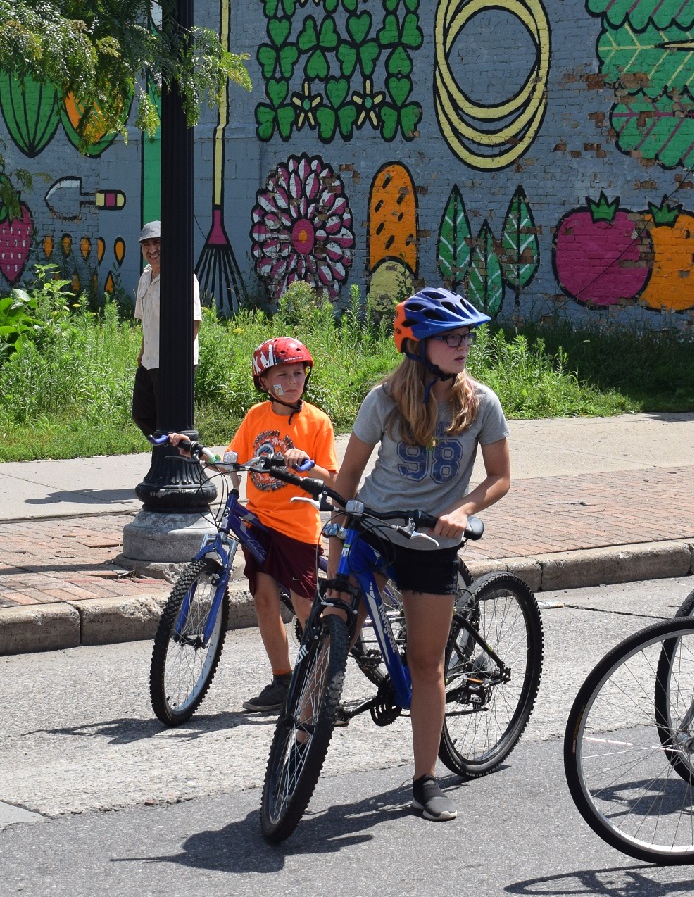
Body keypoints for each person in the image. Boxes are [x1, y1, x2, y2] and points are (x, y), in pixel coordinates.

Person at [325, 288, 511, 822]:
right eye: (450, 338)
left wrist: (462, 509)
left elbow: (500, 477)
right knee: (333, 629)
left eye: (466, 336)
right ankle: (304, 731)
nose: (463, 345)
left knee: (426, 664)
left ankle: (425, 779)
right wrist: (335, 556)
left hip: (433, 543)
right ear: (416, 344)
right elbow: (347, 478)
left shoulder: (482, 403)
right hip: (375, 529)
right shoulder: (383, 400)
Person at [172, 337, 339, 712]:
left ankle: (324, 686)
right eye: (282, 375)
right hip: (260, 523)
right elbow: (231, 460)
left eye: (298, 373)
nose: (293, 381)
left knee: (304, 603)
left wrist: (307, 464)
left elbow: (333, 477)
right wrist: (196, 452)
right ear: (263, 381)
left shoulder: (316, 422)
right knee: (264, 599)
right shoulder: (256, 417)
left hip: (297, 525)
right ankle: (283, 679)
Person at [130, 220, 203, 438]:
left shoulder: (182, 276)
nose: (152, 249)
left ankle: (173, 455)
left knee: (170, 420)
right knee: (141, 414)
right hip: (150, 359)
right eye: (147, 244)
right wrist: (142, 351)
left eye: (157, 243)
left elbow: (193, 322)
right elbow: (147, 320)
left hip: (173, 363)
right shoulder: (145, 278)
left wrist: (178, 363)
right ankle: (168, 450)